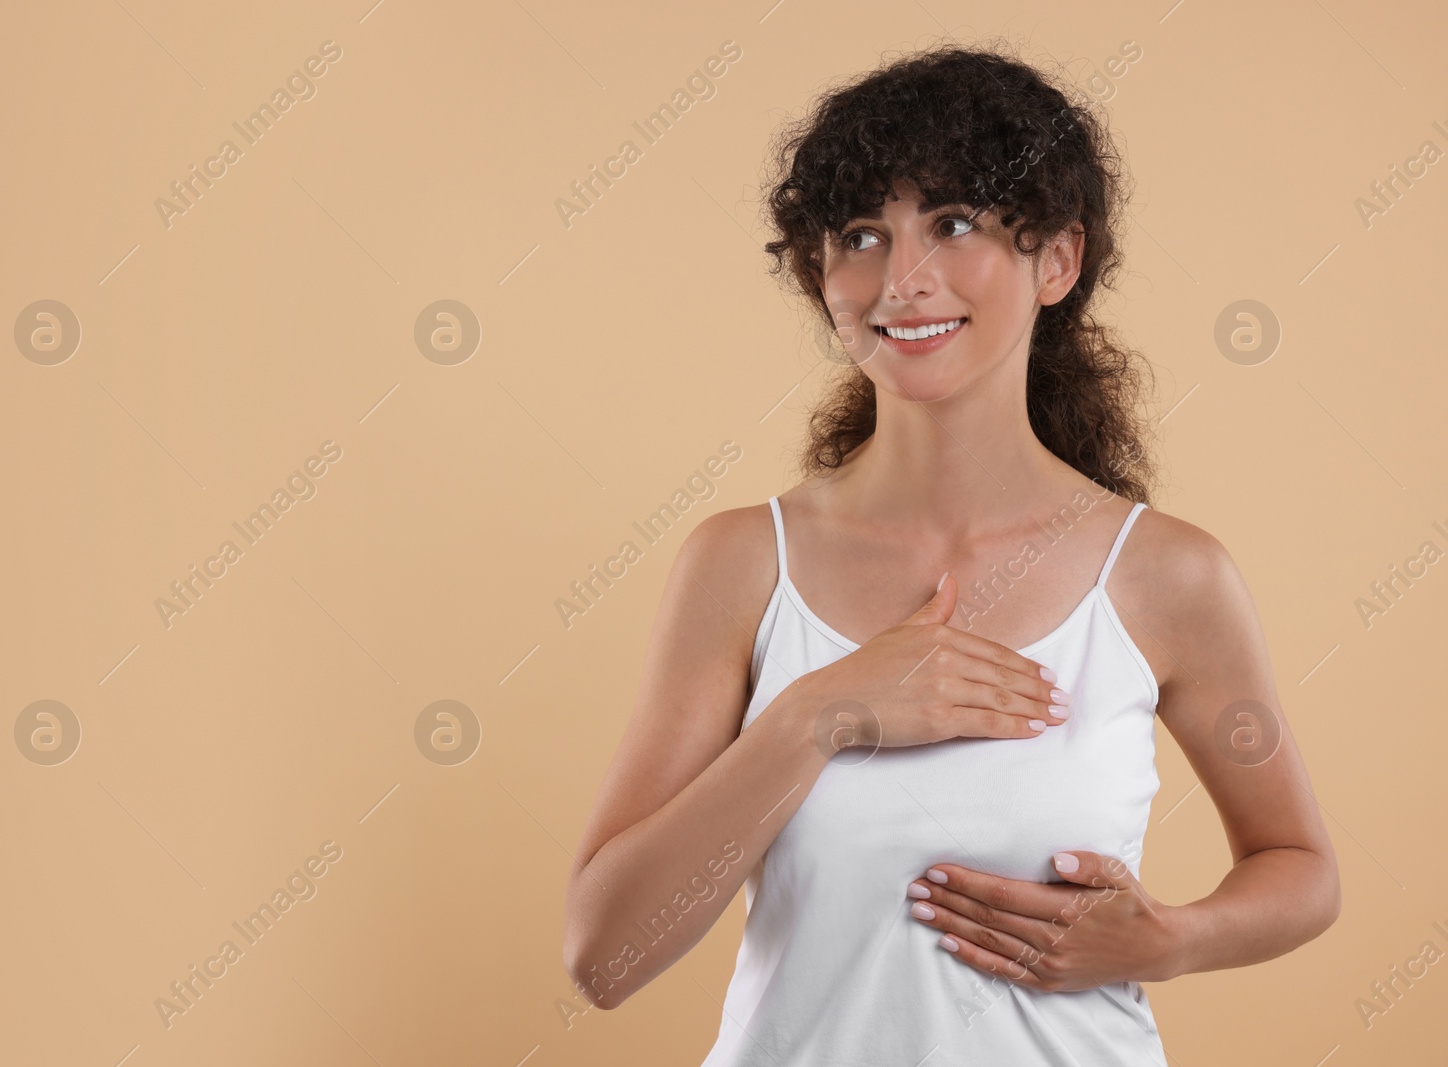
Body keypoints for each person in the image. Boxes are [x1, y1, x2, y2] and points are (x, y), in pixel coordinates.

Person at [562, 41, 1340, 1065]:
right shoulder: (742, 563)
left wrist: (1171, 938)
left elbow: (1300, 866)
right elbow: (605, 955)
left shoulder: (1166, 576)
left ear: (1056, 259)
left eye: (955, 222)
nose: (903, 278)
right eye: (860, 235)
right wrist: (818, 714)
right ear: (819, 274)